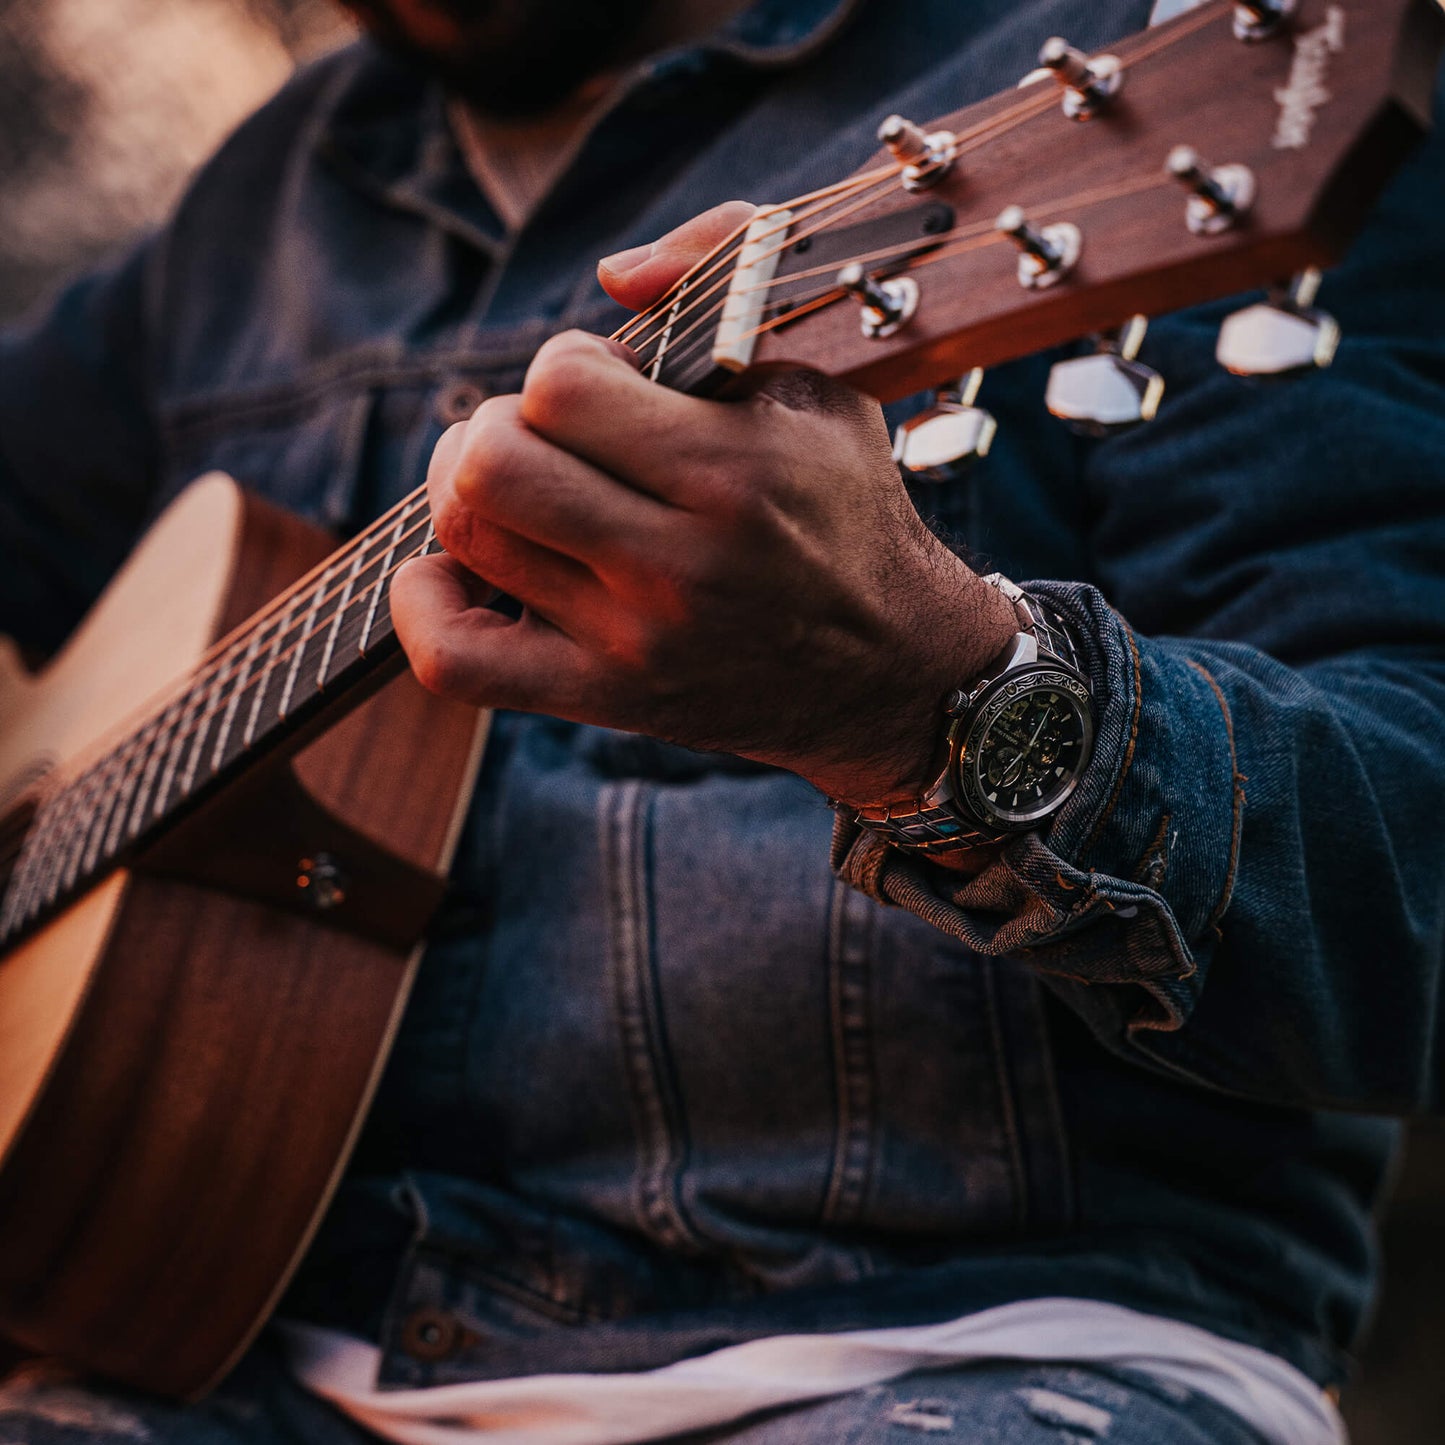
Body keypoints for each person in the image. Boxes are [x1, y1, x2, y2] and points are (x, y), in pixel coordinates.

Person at [1, 0, 1443, 1440]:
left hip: (956, 1361)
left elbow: (1410, 897)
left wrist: (936, 694)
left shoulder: (1119, 79)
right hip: (222, 1355)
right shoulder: (266, 203)